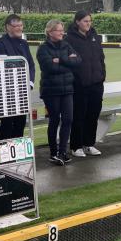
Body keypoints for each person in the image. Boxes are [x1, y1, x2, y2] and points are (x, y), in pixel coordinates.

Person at [36, 19, 81, 165]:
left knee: (68, 119)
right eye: (59, 30)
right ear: (50, 32)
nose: (62, 32)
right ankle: (53, 153)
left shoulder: (66, 45)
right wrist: (67, 61)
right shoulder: (43, 49)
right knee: (54, 120)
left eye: (62, 30)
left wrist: (60, 60)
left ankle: (63, 152)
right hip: (51, 90)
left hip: (67, 89)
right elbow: (50, 68)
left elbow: (77, 62)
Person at [66, 10, 105, 157]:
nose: (88, 24)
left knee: (93, 115)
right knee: (79, 116)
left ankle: (89, 144)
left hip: (96, 84)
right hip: (80, 85)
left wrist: (102, 76)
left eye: (89, 21)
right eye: (85, 21)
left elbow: (101, 58)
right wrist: (77, 80)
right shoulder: (69, 39)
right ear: (77, 22)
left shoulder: (95, 37)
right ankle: (76, 146)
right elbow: (69, 62)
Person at [0, 14, 36, 140]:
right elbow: (0, 69)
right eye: (15, 26)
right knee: (7, 125)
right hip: (7, 93)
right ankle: (4, 155)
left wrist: (30, 82)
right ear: (7, 27)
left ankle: (18, 156)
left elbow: (31, 65)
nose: (19, 28)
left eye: (21, 25)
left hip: (22, 92)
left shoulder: (24, 43)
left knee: (20, 124)